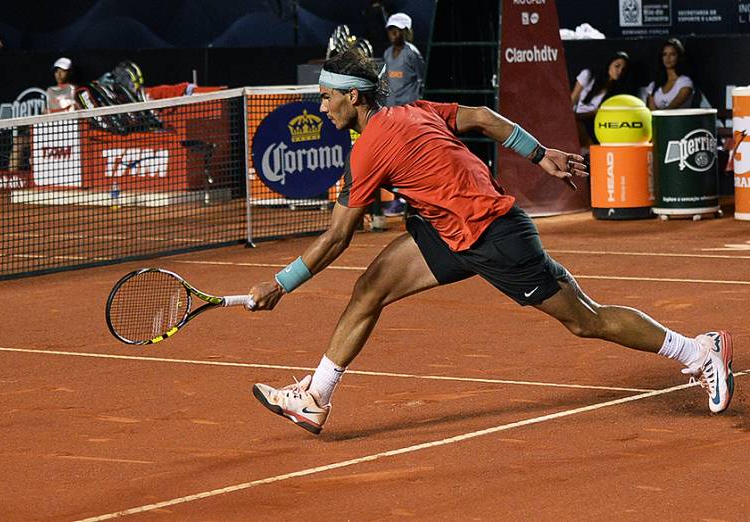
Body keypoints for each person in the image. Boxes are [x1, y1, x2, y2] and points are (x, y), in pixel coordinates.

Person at [248, 49, 734, 435]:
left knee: (587, 321)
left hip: (494, 236)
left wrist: (280, 283)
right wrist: (539, 153)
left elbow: (337, 237)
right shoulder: (411, 110)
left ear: (353, 98)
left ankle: (696, 351)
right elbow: (480, 116)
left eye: (327, 96)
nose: (321, 106)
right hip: (449, 231)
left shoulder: (371, 144)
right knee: (371, 288)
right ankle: (317, 398)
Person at [378, 12, 425, 218]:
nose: (393, 34)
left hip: (410, 115)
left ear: (405, 32)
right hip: (391, 113)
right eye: (390, 30)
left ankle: (411, 198)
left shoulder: (412, 54)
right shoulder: (388, 54)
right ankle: (397, 199)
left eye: (396, 30)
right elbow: (386, 81)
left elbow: (422, 79)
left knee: (411, 155)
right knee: (393, 156)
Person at [570, 51, 631, 148]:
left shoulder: (616, 91)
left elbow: (598, 113)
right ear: (609, 64)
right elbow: (572, 100)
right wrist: (570, 118)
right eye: (617, 66)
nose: (620, 71)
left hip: (595, 123)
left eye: (623, 69)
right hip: (576, 119)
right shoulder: (588, 75)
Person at [646, 38, 693, 110]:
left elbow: (670, 111)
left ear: (679, 57)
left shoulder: (685, 82)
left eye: (672, 54)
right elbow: (652, 112)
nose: (667, 58)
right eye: (664, 54)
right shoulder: (654, 85)